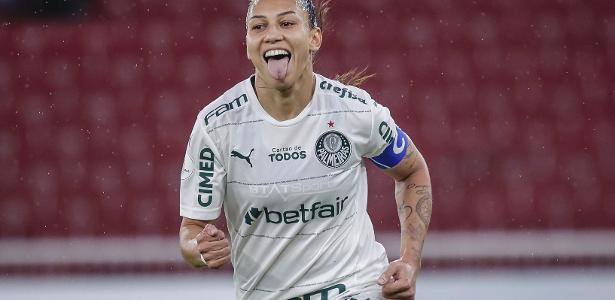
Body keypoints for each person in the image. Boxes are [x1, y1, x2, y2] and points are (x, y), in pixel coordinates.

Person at [178, 0, 432, 299]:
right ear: (247, 44)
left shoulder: (355, 111)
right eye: (258, 26)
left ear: (314, 38)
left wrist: (410, 261)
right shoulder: (216, 125)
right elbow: (192, 229)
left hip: (358, 289)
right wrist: (199, 249)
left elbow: (412, 171)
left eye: (286, 23)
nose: (271, 35)